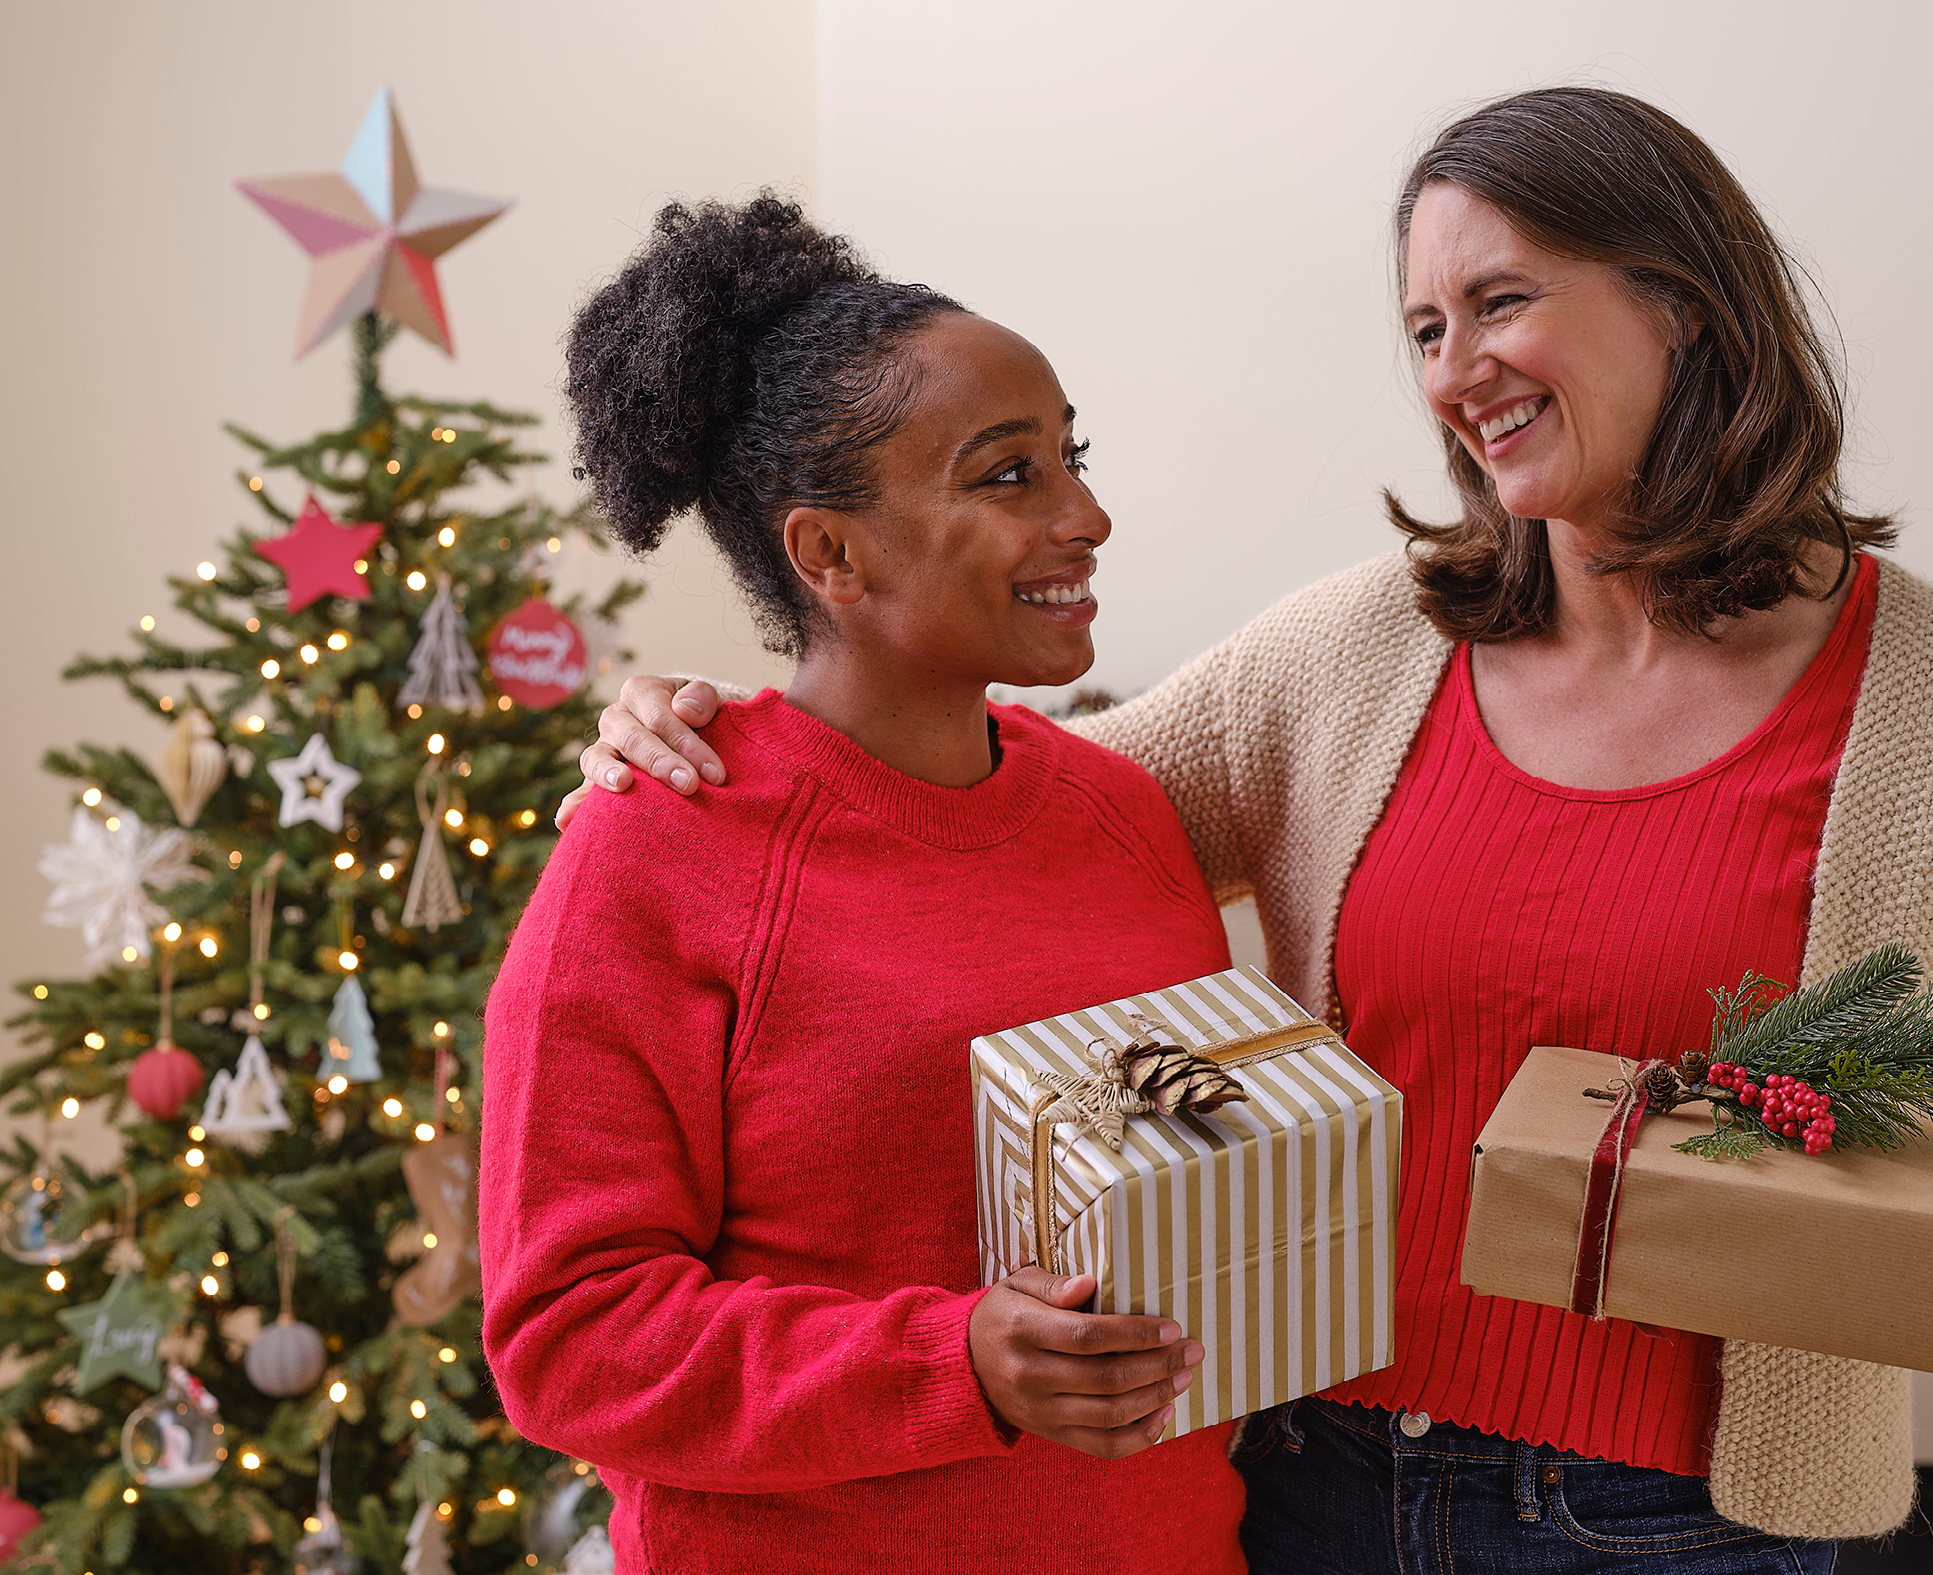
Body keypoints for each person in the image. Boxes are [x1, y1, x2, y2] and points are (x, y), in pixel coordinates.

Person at [565, 88, 1932, 1571]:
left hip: (1679, 1525)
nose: (1455, 370)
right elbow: (972, 799)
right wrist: (717, 739)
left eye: (1499, 302)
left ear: (1678, 301)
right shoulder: (1355, 657)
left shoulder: (1907, 708)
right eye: (1422, 329)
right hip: (1294, 1475)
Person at [478, 196, 1248, 1575]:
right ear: (826, 553)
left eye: (1070, 457)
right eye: (1007, 475)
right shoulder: (659, 840)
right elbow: (570, 1340)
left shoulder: (1123, 813)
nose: (1086, 515)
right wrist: (952, 1361)